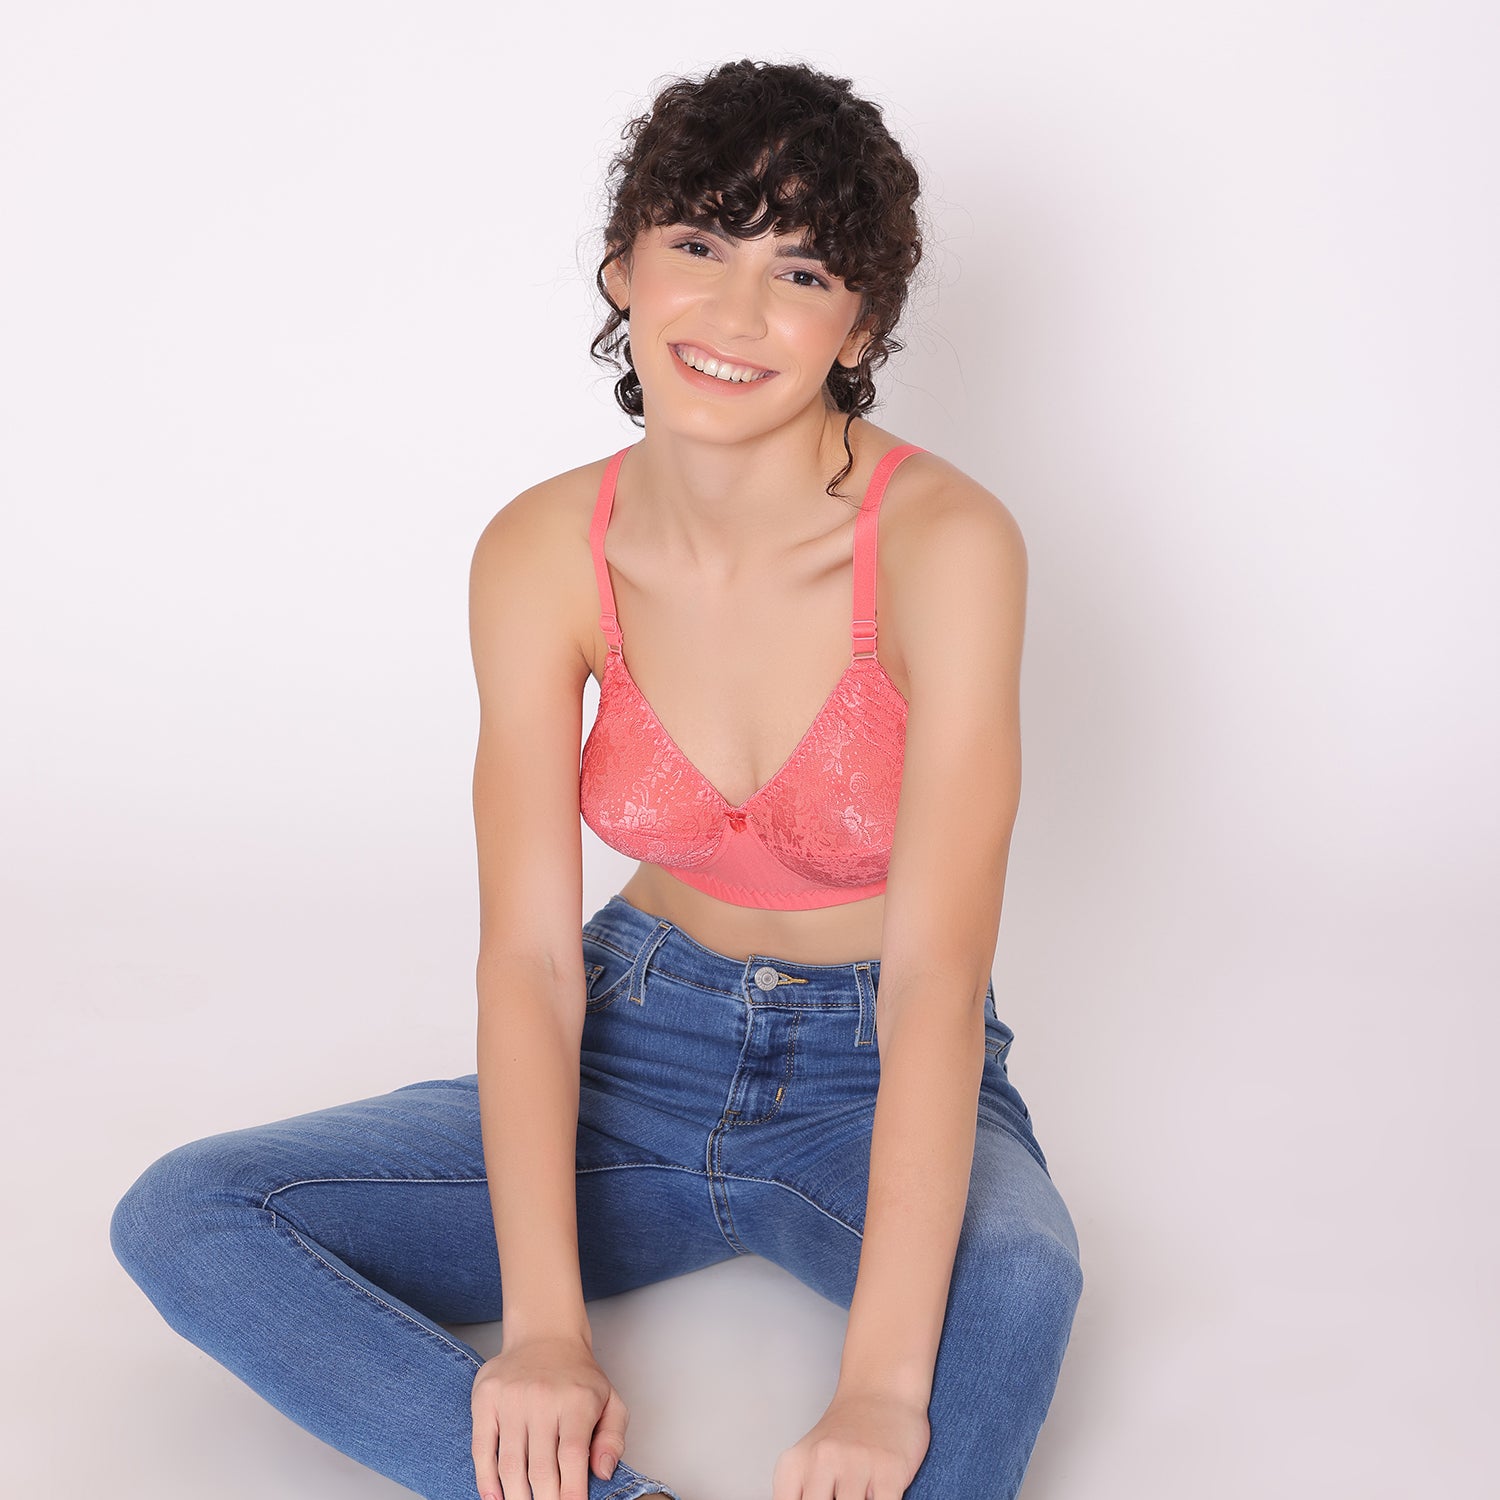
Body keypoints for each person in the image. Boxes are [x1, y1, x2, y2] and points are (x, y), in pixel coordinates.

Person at [110, 58, 1083, 1500]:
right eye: (699, 244)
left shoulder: (948, 545)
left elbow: (937, 978)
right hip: (636, 1046)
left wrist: (882, 1392)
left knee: (1019, 1281)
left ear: (861, 323)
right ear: (624, 266)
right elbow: (527, 962)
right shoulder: (541, 549)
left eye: (801, 272)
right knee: (190, 1214)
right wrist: (546, 1334)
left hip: (874, 1065)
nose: (736, 315)